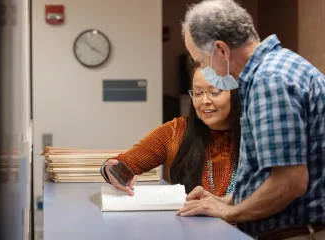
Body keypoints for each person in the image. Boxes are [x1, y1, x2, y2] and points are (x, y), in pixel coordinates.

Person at [177, 0, 325, 239]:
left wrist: (228, 212)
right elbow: (270, 174)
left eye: (202, 62)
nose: (203, 70)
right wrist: (227, 199)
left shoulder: (270, 81)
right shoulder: (280, 67)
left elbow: (290, 183)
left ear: (221, 50)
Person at [100, 65, 241, 199]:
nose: (204, 101)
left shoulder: (256, 134)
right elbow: (123, 163)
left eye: (215, 92)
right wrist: (110, 170)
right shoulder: (175, 132)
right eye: (197, 93)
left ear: (235, 92)